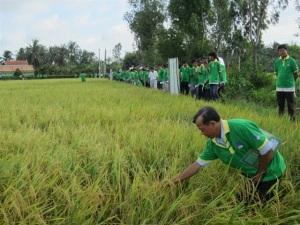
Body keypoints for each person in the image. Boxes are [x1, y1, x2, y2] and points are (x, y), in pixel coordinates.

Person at [170, 106, 286, 202]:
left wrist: (261, 173)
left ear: (212, 124)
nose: (201, 133)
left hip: (270, 171)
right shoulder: (213, 144)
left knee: (261, 206)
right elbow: (197, 165)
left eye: (202, 129)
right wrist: (173, 181)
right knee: (241, 204)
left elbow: (266, 150)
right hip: (250, 174)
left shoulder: (240, 127)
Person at [274, 44, 299, 122]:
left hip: (289, 87)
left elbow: (296, 74)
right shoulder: (277, 61)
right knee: (280, 105)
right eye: (280, 50)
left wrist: (291, 82)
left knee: (290, 105)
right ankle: (281, 121)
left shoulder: (292, 61)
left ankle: (292, 122)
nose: (281, 52)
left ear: (286, 50)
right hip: (279, 87)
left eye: (283, 50)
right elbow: (276, 73)